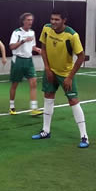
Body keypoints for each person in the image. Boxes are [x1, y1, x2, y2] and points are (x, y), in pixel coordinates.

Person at [33, 9, 89, 148]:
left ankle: (84, 137)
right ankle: (46, 131)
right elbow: (43, 48)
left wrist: (70, 77)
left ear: (64, 20)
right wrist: (47, 68)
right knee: (48, 97)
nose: (53, 22)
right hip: (50, 71)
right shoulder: (46, 29)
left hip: (65, 74)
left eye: (57, 19)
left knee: (73, 101)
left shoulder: (72, 35)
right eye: (52, 19)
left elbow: (81, 57)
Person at [8, 12, 42, 115]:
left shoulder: (32, 32)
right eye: (28, 20)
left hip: (29, 60)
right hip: (18, 60)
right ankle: (12, 107)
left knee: (34, 82)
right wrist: (23, 41)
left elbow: (31, 46)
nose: (30, 22)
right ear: (23, 21)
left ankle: (34, 109)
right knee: (15, 84)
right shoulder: (16, 32)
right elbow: (11, 47)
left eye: (31, 20)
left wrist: (37, 49)